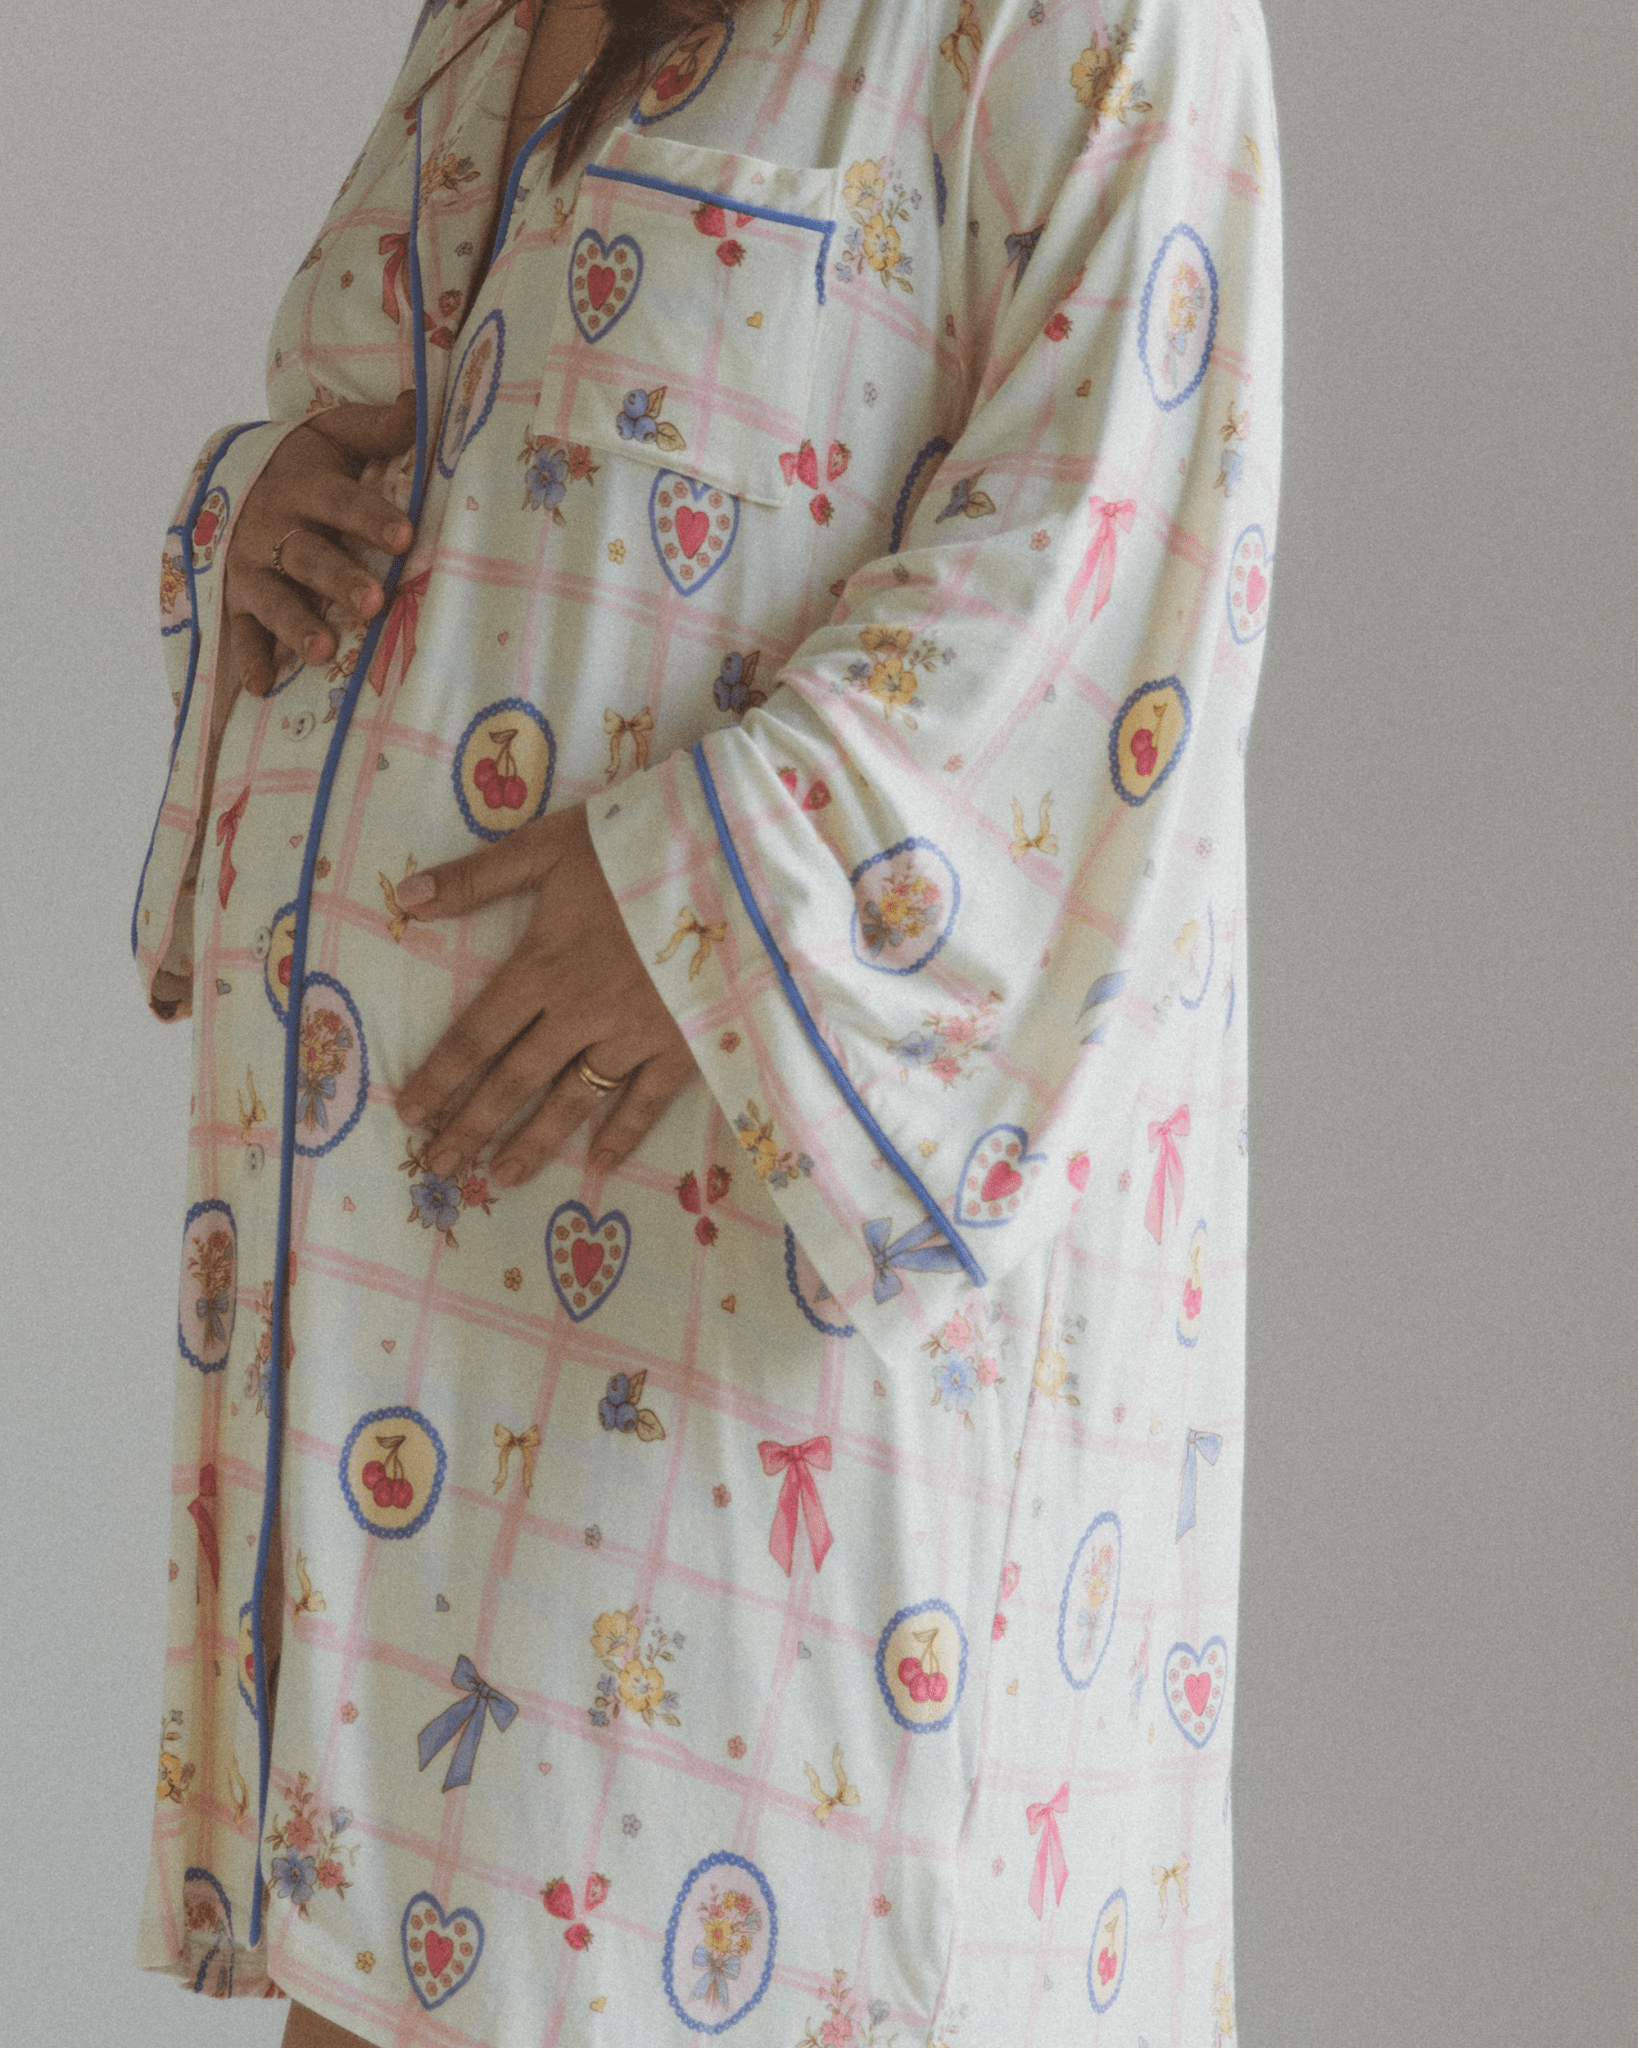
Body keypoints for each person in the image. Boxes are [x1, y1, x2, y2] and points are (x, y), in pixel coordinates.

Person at [134, 2, 1282, 2043]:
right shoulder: (493, 17)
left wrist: (718, 890)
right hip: (392, 1331)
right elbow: (457, 448)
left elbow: (1119, 553)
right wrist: (255, 517)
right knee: (392, 1975)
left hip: (733, 1327)